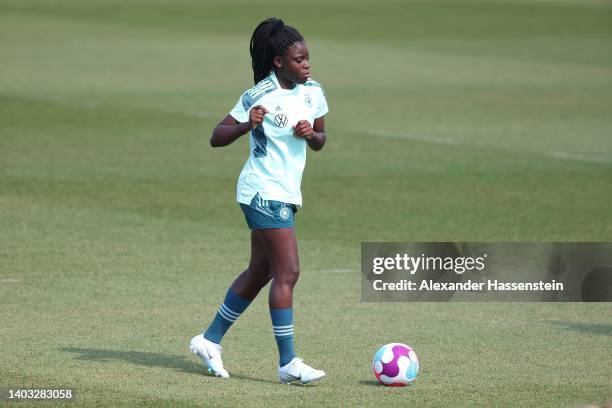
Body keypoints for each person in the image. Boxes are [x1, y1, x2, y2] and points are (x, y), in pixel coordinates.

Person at [189, 17, 329, 385]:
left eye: (308, 57)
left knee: (261, 272)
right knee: (289, 272)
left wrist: (311, 134)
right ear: (279, 62)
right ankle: (288, 363)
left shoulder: (314, 91)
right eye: (299, 60)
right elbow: (216, 137)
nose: (307, 64)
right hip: (262, 191)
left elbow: (321, 140)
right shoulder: (260, 94)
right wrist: (245, 125)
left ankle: (209, 339)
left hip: (285, 192)